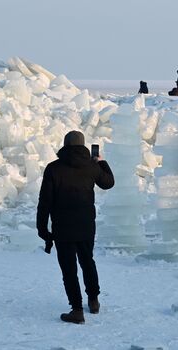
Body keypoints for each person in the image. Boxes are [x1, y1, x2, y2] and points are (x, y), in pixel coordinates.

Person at [37, 130, 115, 324]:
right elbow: (108, 183)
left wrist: (42, 228)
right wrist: (100, 162)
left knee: (69, 269)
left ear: (65, 145)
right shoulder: (91, 166)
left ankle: (77, 310)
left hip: (63, 227)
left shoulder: (53, 168)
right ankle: (94, 300)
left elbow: (44, 201)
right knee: (88, 261)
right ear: (83, 146)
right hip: (86, 224)